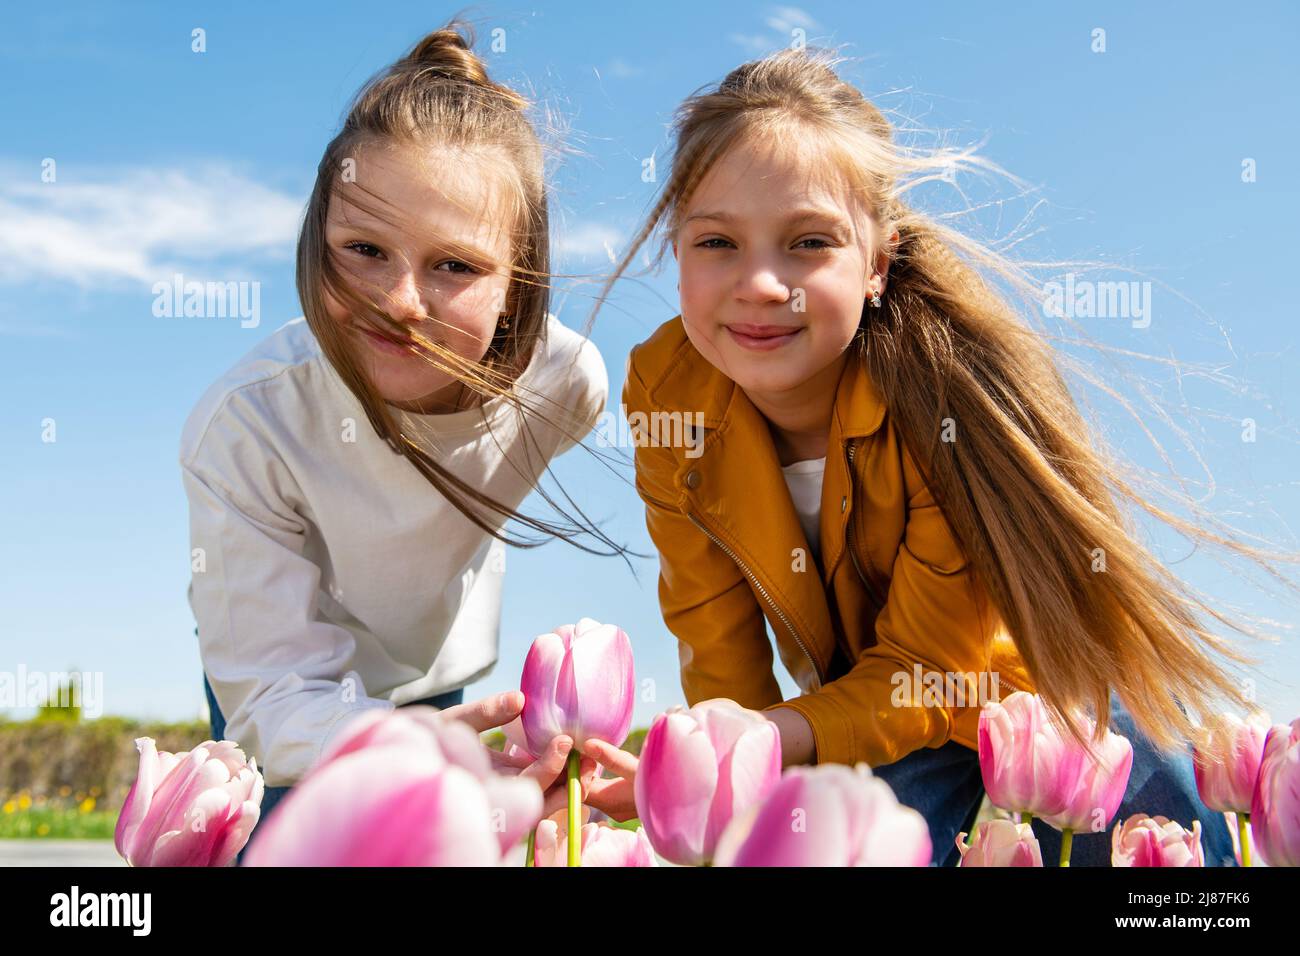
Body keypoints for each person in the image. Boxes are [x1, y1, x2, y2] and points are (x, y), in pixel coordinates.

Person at [580, 47, 1287, 866]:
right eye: (716, 243)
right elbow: (715, 643)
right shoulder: (669, 393)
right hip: (860, 729)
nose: (761, 284)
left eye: (808, 242)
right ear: (676, 248)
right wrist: (712, 770)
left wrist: (767, 737)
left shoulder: (938, 396)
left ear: (877, 263)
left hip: (1029, 712)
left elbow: (927, 671)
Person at [182, 21, 608, 860]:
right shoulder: (249, 423)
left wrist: (434, 741)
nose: (401, 300)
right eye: (363, 250)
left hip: (439, 679)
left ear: (518, 282)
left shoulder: (565, 386)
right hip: (285, 691)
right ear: (315, 240)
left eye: (456, 266)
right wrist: (403, 752)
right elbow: (267, 693)